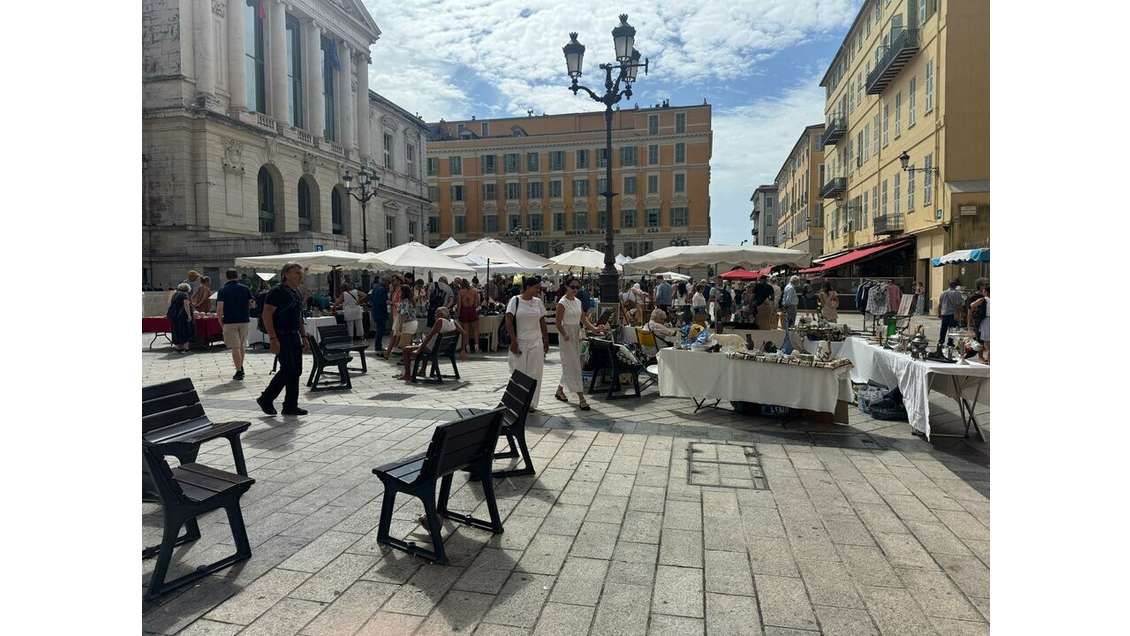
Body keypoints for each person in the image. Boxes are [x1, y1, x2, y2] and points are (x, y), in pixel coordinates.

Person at [257, 263, 310, 416]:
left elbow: (298, 316)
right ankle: (266, 398)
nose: (300, 275)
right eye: (296, 273)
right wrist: (273, 338)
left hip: (293, 335)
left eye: (300, 273)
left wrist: (303, 336)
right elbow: (266, 315)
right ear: (285, 274)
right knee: (288, 370)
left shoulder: (296, 292)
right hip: (281, 335)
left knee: (296, 371)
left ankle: (290, 406)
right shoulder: (276, 292)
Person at [555, 279, 603, 410]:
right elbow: (558, 323)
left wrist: (595, 329)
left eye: (577, 287)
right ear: (566, 287)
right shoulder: (562, 303)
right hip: (566, 336)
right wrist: (565, 334)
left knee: (571, 364)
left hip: (577, 334)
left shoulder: (578, 302)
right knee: (574, 365)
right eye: (572, 287)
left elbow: (583, 319)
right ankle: (581, 398)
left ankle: (559, 390)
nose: (575, 290)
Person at [506, 276, 550, 411]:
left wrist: (546, 339)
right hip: (520, 341)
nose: (538, 290)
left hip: (536, 341)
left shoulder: (538, 302)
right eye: (536, 287)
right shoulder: (515, 300)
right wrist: (513, 340)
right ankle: (517, 401)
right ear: (527, 287)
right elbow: (508, 320)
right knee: (518, 372)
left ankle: (531, 403)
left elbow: (542, 321)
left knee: (535, 373)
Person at [400, 307, 466, 380]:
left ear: (441, 314)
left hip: (433, 349)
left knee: (406, 349)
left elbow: (429, 337)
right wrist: (463, 349)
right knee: (424, 344)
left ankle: (407, 374)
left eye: (436, 313)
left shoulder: (440, 321)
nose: (434, 315)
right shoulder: (454, 322)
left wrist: (419, 349)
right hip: (443, 348)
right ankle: (422, 370)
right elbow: (464, 334)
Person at [216, 269, 256, 379]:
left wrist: (220, 321)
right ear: (237, 276)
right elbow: (252, 305)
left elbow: (219, 309)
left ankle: (239, 371)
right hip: (244, 320)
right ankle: (240, 367)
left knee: (235, 347)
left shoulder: (223, 290)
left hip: (230, 321)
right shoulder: (245, 289)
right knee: (242, 346)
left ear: (226, 277)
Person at [383, 284, 420, 358]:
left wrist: (400, 326)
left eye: (400, 291)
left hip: (406, 322)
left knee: (404, 344)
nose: (399, 293)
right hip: (411, 322)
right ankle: (404, 357)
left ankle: (405, 359)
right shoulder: (410, 300)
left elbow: (404, 314)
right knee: (406, 342)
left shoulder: (405, 301)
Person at [167, 282, 195, 353]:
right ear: (187, 289)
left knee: (176, 331)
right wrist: (189, 315)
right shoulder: (184, 295)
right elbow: (186, 305)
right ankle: (186, 348)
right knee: (185, 330)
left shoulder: (175, 294)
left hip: (174, 316)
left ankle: (178, 348)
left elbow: (169, 303)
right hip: (182, 316)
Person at [937, 279, 965, 346]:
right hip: (953, 314)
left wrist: (939, 313)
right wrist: (962, 312)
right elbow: (959, 304)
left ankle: (941, 341)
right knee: (952, 329)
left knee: (943, 328)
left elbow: (939, 304)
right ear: (955, 286)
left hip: (944, 313)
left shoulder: (943, 293)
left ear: (949, 285)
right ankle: (950, 342)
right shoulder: (957, 293)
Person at [457, 278, 481, 353]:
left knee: (466, 330)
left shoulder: (460, 292)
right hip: (472, 310)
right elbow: (477, 303)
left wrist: (458, 314)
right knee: (475, 330)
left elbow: (459, 305)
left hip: (464, 310)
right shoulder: (474, 291)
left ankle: (467, 347)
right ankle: (476, 347)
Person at [970, 282, 989, 363]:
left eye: (984, 291)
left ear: (986, 292)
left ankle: (984, 358)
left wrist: (976, 310)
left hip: (986, 321)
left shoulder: (983, 299)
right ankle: (987, 359)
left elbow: (972, 305)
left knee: (985, 341)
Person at [369, 277, 389, 351]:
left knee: (379, 329)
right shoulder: (382, 290)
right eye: (388, 282)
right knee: (380, 330)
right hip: (381, 312)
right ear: (384, 282)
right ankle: (378, 347)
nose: (388, 283)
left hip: (375, 311)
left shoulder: (375, 288)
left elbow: (371, 299)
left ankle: (378, 346)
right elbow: (383, 302)